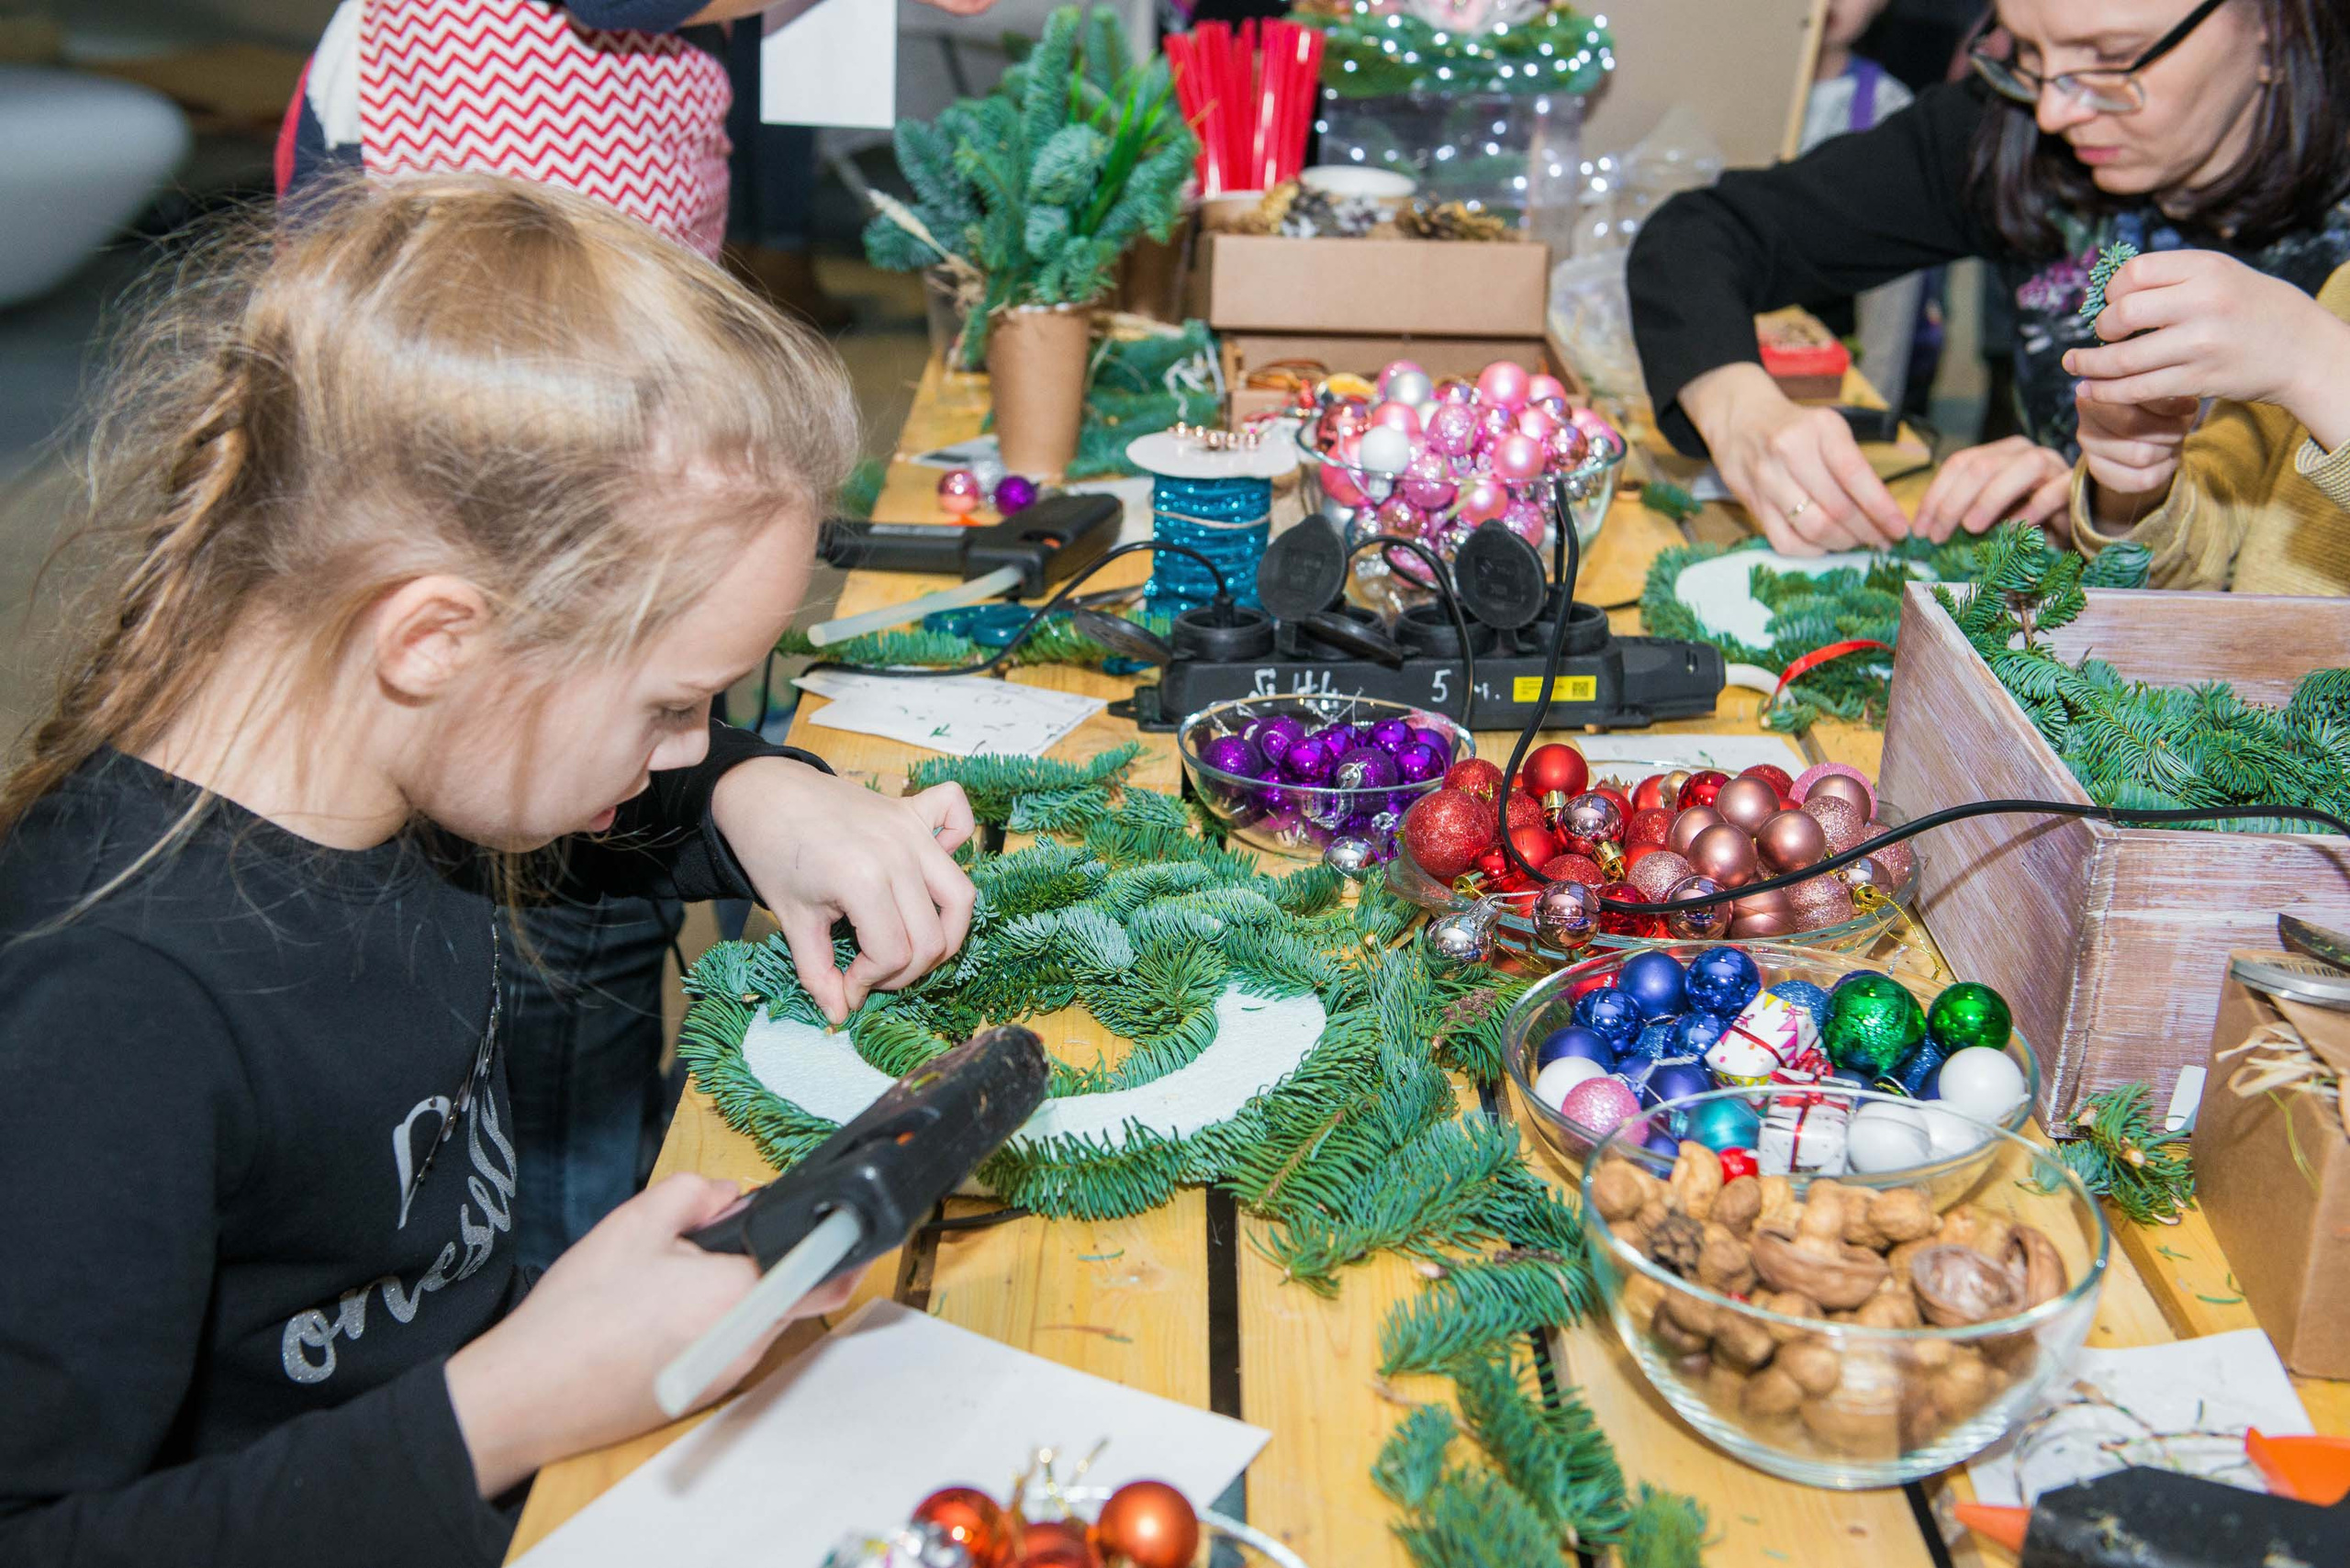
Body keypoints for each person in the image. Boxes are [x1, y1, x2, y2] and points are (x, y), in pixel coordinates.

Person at [0, 174, 976, 1565]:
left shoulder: (393, 769)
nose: (685, 746)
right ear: (437, 640)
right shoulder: (104, 1003)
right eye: (669, 705)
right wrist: (502, 1407)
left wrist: (761, 792)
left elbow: (604, 812)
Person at [1628, 0, 2350, 555]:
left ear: (2270, 21)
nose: (2056, 110)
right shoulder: (2013, 132)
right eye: (2029, 51)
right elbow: (1696, 238)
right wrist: (1740, 411)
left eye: (2112, 58)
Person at [2066, 249, 2350, 591]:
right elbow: (2210, 545)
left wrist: (2317, 361)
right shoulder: (2341, 288)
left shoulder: (2314, 332)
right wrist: (2138, 490)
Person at [1796, 0, 1929, 408]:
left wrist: (1871, 407)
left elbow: (1892, 295)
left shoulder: (1886, 108)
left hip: (1831, 363)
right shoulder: (1733, 90)